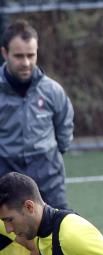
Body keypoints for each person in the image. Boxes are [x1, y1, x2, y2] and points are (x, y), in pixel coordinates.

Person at [0, 20, 73, 210]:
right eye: (18, 56)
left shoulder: (52, 91)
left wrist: (49, 157)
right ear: (4, 53)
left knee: (60, 231)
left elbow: (64, 129)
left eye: (31, 55)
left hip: (48, 175)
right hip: (6, 174)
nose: (26, 63)